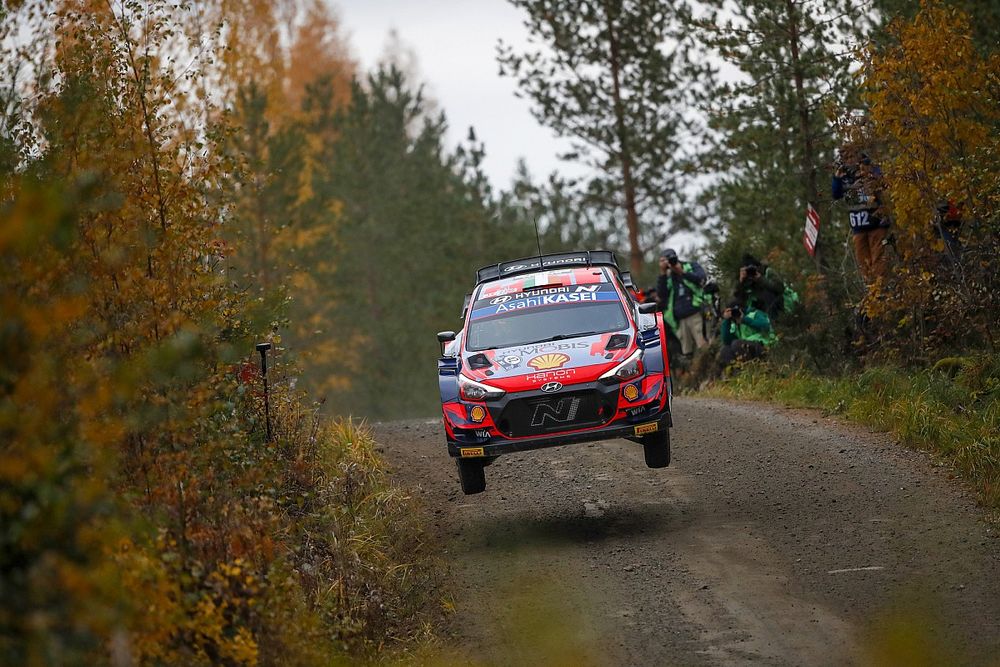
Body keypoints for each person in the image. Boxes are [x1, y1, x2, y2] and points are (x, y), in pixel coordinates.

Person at [833, 151, 890, 284]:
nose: (849, 160)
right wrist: (837, 178)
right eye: (845, 157)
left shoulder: (870, 168)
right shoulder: (844, 175)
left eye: (851, 156)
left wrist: (868, 169)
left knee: (879, 260)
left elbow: (883, 182)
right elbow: (836, 194)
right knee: (864, 264)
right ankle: (871, 291)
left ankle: (882, 289)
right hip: (858, 226)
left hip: (876, 223)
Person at [656, 248, 708, 359]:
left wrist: (682, 273)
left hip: (695, 311)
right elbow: (661, 295)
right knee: (686, 350)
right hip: (679, 318)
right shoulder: (667, 276)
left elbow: (701, 279)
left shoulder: (690, 266)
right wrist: (663, 273)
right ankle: (692, 372)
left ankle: (706, 363)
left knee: (702, 344)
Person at [719, 301, 776, 369]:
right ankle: (739, 373)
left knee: (736, 344)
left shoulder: (755, 314)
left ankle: (752, 368)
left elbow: (765, 327)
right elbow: (726, 341)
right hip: (747, 348)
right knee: (725, 350)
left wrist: (745, 319)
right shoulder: (734, 324)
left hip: (764, 345)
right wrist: (727, 321)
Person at [732, 253, 786, 319]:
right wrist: (741, 282)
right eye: (748, 270)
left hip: (776, 305)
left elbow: (780, 288)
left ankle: (776, 320)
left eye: (752, 269)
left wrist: (761, 279)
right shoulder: (747, 280)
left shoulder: (767, 272)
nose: (751, 272)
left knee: (767, 294)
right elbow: (738, 297)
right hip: (759, 310)